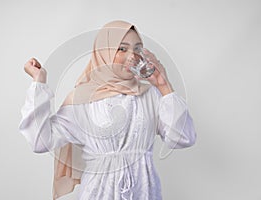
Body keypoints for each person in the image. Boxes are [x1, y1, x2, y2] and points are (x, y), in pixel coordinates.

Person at [19, 20, 197, 200]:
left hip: (144, 192)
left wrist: (164, 86)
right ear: (104, 53)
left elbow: (183, 138)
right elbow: (41, 141)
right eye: (122, 49)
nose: (133, 56)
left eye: (137, 49)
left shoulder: (150, 94)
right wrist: (39, 82)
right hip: (99, 193)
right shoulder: (83, 98)